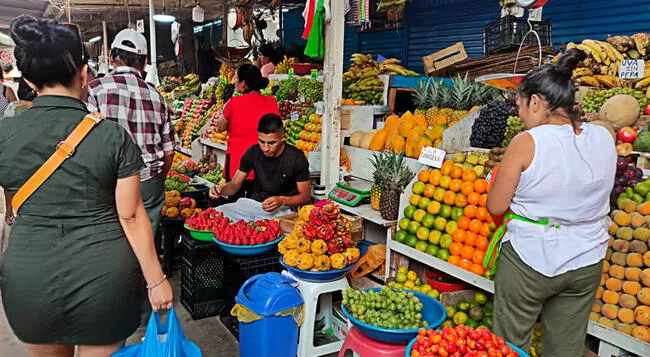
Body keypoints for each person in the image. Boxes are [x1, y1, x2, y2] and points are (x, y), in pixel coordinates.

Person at [0, 16, 172, 357]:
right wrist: (157, 281)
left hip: (30, 279)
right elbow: (132, 217)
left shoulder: (5, 135)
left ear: (30, 81)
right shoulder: (111, 136)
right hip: (105, 282)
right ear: (83, 74)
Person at [486, 49, 616, 356]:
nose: (520, 116)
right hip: (587, 260)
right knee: (566, 347)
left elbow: (495, 206)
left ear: (535, 102)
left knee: (509, 344)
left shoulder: (527, 142)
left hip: (531, 260)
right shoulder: (604, 136)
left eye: (520, 106)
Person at [86, 28, 175, 236]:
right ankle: (144, 268)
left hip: (107, 181)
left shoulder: (94, 90)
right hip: (148, 180)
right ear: (144, 63)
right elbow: (169, 152)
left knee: (111, 236)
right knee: (146, 239)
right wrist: (156, 181)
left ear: (111, 57)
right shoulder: (156, 96)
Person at [209, 114, 311, 220]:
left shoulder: (296, 157)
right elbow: (235, 184)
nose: (266, 148)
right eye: (262, 142)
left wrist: (282, 200)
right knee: (216, 213)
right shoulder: (253, 152)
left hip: (283, 209)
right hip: (254, 204)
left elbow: (305, 196)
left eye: (272, 143)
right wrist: (220, 190)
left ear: (282, 137)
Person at [215, 64, 280, 200]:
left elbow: (220, 126)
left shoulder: (233, 102)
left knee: (235, 207)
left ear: (243, 84)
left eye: (236, 78)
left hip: (237, 165)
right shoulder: (272, 102)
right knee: (260, 209)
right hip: (265, 164)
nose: (234, 81)